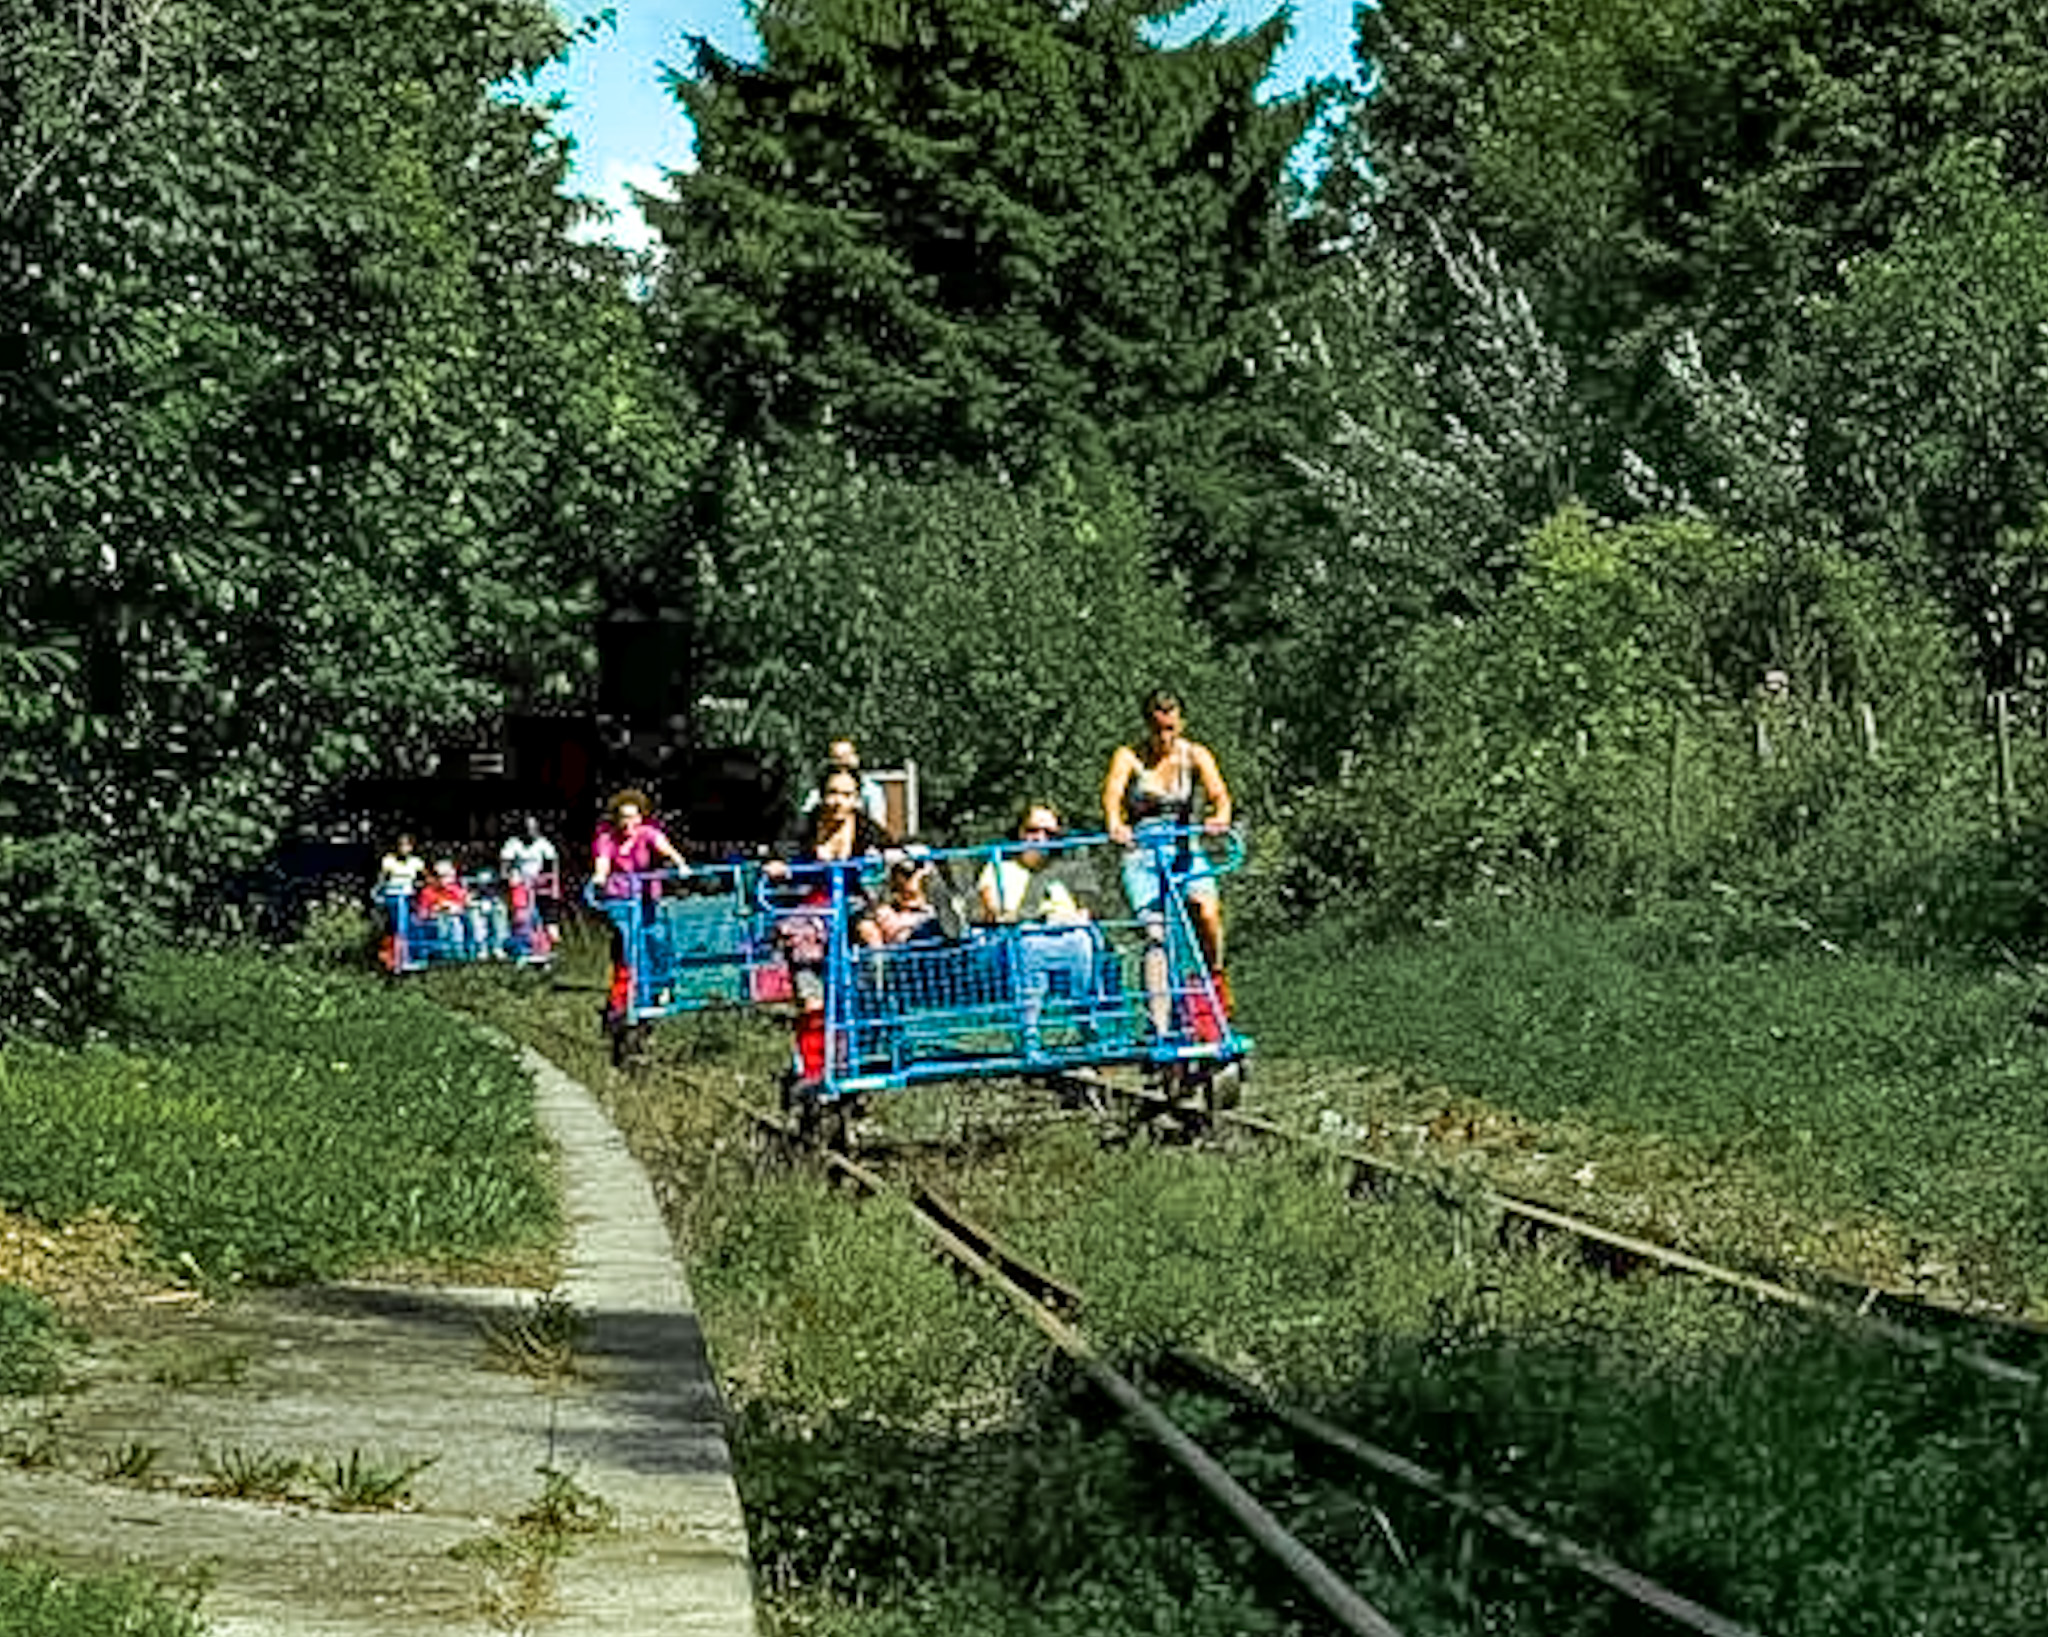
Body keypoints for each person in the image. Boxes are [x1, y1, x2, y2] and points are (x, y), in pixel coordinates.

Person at [1102, 687, 1234, 1029]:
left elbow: (1219, 792)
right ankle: (1159, 1023)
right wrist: (1116, 823)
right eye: (1157, 729)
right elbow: (1113, 793)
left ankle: (1213, 980)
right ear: (1147, 725)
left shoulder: (1194, 755)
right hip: (1143, 851)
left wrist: (1220, 815)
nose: (1164, 737)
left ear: (1181, 723)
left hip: (1183, 847)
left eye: (1171, 729)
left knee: (1206, 912)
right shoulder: (1130, 756)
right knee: (1155, 934)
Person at [768, 767, 894, 1089]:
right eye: (833, 793)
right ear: (822, 796)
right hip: (808, 907)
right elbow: (782, 852)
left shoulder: (863, 826)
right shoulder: (805, 824)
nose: (839, 801)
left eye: (847, 795)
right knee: (812, 997)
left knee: (872, 937)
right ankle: (813, 1067)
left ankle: (872, 1001)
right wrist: (782, 865)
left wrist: (893, 855)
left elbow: (889, 845)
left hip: (849, 904)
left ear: (856, 799)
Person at [976, 803, 1097, 1060]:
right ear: (1020, 832)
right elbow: (995, 912)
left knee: (1083, 940)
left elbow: (1085, 910)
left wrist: (1070, 918)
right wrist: (1037, 916)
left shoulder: (1065, 871)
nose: (1040, 838)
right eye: (1033, 830)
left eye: (1048, 833)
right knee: (1029, 943)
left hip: (1067, 934)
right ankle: (1030, 1034)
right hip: (1022, 938)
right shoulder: (1000, 867)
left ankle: (1088, 1022)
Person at [591, 789, 691, 1032]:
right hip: (621, 902)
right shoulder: (607, 839)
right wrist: (600, 877)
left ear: (641, 818)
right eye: (623, 817)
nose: (629, 823)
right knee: (629, 943)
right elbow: (602, 862)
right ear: (616, 819)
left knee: (656, 939)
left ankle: (661, 987)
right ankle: (626, 998)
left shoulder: (647, 834)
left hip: (647, 900)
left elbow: (665, 848)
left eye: (633, 817)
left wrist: (680, 864)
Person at [798, 737, 891, 832]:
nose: (842, 761)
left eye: (846, 756)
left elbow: (879, 824)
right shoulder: (817, 791)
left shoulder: (871, 790)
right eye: (836, 757)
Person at [500, 815, 561, 955]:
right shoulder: (513, 843)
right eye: (527, 829)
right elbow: (505, 865)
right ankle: (522, 944)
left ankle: (544, 943)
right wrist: (510, 876)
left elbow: (552, 864)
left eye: (533, 829)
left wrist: (550, 880)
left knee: (543, 911)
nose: (530, 832)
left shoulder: (543, 844)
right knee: (522, 914)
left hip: (539, 881)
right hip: (520, 882)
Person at [414, 859, 475, 958]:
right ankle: (447, 950)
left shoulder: (457, 890)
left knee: (456, 919)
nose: (445, 880)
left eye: (448, 876)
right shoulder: (428, 892)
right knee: (448, 918)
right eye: (441, 876)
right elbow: (422, 913)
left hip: (457, 919)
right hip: (436, 921)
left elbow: (466, 905)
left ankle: (460, 949)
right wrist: (437, 909)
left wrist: (456, 907)